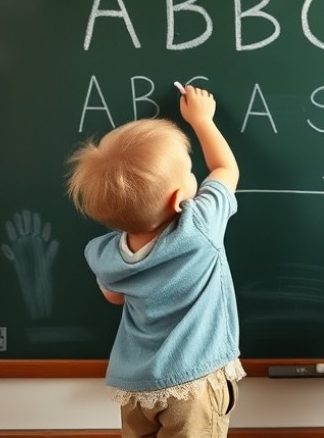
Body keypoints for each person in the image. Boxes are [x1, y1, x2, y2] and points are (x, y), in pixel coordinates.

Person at [66, 85, 243, 438]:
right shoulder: (200, 229)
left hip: (135, 386)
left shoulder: (105, 255)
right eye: (190, 172)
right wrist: (201, 120)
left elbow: (113, 297)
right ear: (180, 198)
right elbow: (226, 168)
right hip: (192, 382)